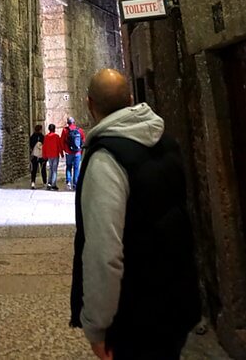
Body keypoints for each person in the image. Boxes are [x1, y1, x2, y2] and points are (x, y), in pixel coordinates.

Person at [70, 69, 201, 360]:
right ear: (130, 99)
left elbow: (105, 252)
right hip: (177, 297)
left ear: (89, 104)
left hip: (137, 313)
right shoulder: (166, 142)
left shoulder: (107, 159)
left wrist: (97, 325)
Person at [62, 116, 85, 190]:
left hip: (68, 152)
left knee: (68, 167)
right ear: (74, 122)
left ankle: (68, 181)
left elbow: (62, 141)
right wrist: (80, 149)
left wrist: (64, 150)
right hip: (77, 152)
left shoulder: (65, 130)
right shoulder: (79, 130)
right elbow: (83, 140)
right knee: (76, 168)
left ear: (67, 123)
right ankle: (75, 184)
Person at [42, 123, 63, 190]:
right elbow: (59, 146)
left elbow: (44, 147)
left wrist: (44, 155)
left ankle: (49, 183)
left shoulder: (46, 137)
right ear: (54, 129)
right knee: (54, 170)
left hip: (49, 155)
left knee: (50, 169)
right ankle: (53, 184)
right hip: (55, 154)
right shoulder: (56, 136)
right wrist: (61, 153)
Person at [29, 124, 47, 189]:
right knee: (43, 169)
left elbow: (30, 146)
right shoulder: (43, 137)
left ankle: (33, 183)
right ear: (40, 130)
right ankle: (45, 182)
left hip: (34, 156)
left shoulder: (32, 137)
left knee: (34, 170)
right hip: (41, 156)